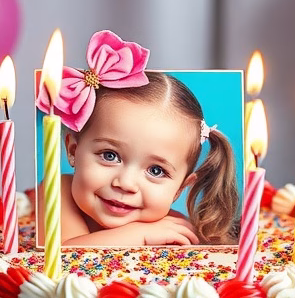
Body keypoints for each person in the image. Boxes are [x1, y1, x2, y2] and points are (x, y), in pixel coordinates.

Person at [37, 31, 239, 247]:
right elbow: (55, 257)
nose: (125, 183)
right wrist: (139, 235)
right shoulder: (56, 188)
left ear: (180, 189)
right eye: (109, 155)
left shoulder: (173, 232)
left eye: (156, 170)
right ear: (73, 150)